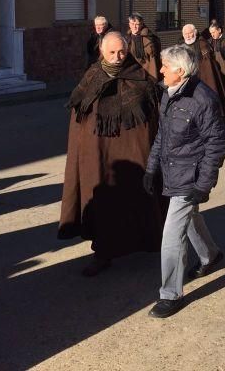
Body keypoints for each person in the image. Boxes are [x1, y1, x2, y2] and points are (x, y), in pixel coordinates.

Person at [59, 32, 165, 277]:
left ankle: (148, 243)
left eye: (122, 52)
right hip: (98, 159)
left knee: (136, 202)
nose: (118, 58)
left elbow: (153, 119)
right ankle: (102, 253)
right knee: (103, 207)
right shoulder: (91, 77)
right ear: (101, 52)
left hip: (135, 156)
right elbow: (79, 121)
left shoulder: (141, 78)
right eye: (112, 53)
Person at [144, 45, 225, 318]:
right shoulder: (168, 93)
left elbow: (216, 144)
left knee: (171, 236)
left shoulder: (203, 99)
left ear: (180, 71)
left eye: (165, 66)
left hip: (189, 177)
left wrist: (203, 185)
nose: (160, 70)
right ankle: (211, 255)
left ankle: (170, 294)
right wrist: (150, 168)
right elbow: (162, 135)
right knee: (189, 218)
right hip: (172, 172)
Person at [181, 24, 225, 123]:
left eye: (190, 33)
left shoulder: (202, 44)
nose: (188, 36)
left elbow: (207, 67)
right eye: (185, 34)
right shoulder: (183, 46)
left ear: (195, 33)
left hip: (204, 79)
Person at [126, 13, 162, 80]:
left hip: (148, 72)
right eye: (132, 24)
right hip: (133, 72)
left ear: (142, 24)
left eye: (137, 24)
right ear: (129, 24)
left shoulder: (150, 38)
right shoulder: (127, 39)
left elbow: (154, 58)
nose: (134, 26)